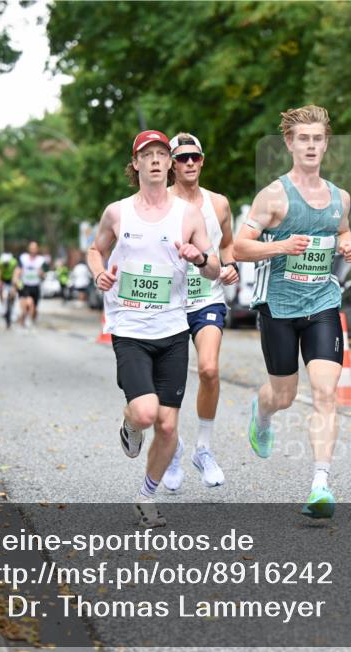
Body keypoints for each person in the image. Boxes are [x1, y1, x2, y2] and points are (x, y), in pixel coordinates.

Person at [87, 129, 221, 527]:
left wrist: (199, 258)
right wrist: (99, 275)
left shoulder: (189, 215)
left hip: (173, 330)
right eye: (149, 154)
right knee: (146, 414)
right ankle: (130, 423)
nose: (158, 160)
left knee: (167, 426)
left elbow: (214, 269)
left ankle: (146, 497)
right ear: (137, 164)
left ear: (169, 163)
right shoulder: (118, 212)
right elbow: (96, 250)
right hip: (130, 328)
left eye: (163, 153)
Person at [234, 105, 351, 519]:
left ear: (326, 144)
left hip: (323, 302)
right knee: (283, 395)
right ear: (289, 143)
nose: (310, 145)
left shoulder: (339, 197)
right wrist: (281, 247)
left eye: (317, 139)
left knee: (326, 393)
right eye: (303, 139)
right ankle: (263, 413)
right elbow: (240, 248)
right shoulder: (273, 196)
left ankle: (320, 484)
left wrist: (348, 246)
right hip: (279, 307)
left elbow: (342, 232)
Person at [159, 133, 239, 492]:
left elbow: (228, 243)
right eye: (182, 158)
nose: (189, 163)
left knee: (208, 369)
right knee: (168, 384)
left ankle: (202, 449)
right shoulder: (159, 204)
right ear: (173, 164)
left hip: (208, 296)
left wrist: (232, 264)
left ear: (202, 161)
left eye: (195, 157)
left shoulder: (218, 203)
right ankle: (172, 450)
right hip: (170, 303)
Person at [17, 241, 47, 329]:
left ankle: (26, 319)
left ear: (37, 249)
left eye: (35, 248)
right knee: (29, 303)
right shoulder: (23, 258)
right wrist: (17, 281)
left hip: (35, 286)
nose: (33, 250)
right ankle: (28, 322)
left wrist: (41, 273)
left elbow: (44, 274)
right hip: (25, 285)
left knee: (34, 309)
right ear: (29, 249)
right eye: (31, 248)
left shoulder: (41, 260)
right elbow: (18, 270)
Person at [0, 251, 19, 328]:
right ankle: (3, 305)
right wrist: (0, 284)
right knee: (0, 291)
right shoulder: (0, 263)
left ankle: (12, 307)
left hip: (11, 279)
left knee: (13, 292)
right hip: (3, 279)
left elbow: (15, 274)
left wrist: (14, 285)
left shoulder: (13, 262)